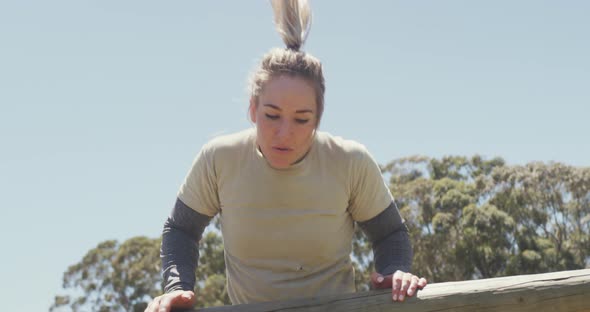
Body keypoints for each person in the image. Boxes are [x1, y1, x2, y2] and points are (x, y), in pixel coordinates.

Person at [145, 1, 427, 311]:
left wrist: (393, 271)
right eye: (272, 115)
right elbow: (181, 230)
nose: (284, 133)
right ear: (252, 109)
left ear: (318, 119)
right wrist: (177, 287)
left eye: (302, 119)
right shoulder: (219, 159)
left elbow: (390, 233)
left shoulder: (350, 162)